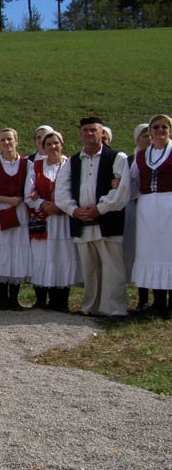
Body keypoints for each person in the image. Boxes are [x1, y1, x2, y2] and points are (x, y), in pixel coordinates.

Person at [56, 116, 131, 318]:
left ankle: (114, 309)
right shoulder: (72, 161)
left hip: (107, 220)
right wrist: (74, 210)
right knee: (90, 268)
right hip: (82, 221)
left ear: (102, 133)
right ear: (80, 133)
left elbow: (121, 190)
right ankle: (91, 307)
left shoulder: (116, 157)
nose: (90, 133)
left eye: (94, 130)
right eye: (86, 130)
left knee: (112, 268)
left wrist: (99, 209)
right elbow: (61, 191)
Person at [24, 131, 79, 312]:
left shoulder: (70, 165)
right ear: (43, 147)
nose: (53, 147)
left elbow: (77, 190)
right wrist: (42, 203)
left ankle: (60, 301)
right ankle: (41, 299)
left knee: (61, 255)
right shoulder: (36, 166)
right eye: (48, 144)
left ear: (62, 144)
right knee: (41, 256)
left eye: (56, 143)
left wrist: (61, 206)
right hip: (44, 219)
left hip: (63, 219)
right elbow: (28, 194)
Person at [0, 128, 31, 310]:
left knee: (16, 251)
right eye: (2, 140)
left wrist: (29, 196)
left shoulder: (27, 164)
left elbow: (31, 188)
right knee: (0, 252)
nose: (6, 143)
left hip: (19, 213)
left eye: (9, 139)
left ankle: (14, 298)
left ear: (16, 141)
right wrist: (8, 200)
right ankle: (3, 297)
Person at [129, 113, 172, 319]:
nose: (160, 130)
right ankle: (159, 303)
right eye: (156, 127)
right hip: (147, 209)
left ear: (170, 131)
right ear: (150, 132)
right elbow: (133, 181)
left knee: (169, 252)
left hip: (170, 205)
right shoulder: (141, 156)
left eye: (164, 127)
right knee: (151, 253)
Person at [124, 124, 153, 314]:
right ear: (137, 139)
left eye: (150, 135)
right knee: (139, 253)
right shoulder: (130, 160)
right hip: (135, 210)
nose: (149, 138)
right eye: (144, 135)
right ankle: (142, 298)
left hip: (156, 209)